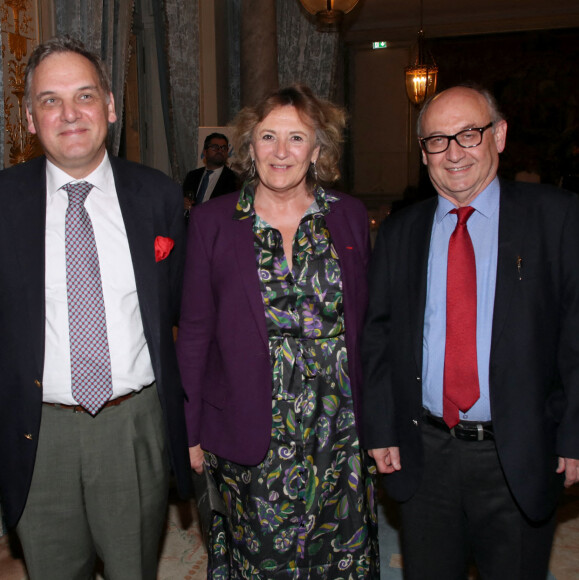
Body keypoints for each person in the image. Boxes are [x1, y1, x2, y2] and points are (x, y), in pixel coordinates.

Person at [362, 84, 579, 579]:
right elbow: (377, 337)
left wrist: (575, 434)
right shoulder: (401, 231)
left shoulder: (556, 216)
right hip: (425, 453)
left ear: (499, 136)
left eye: (469, 134)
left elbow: (576, 333)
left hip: (520, 452)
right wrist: (379, 428)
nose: (453, 152)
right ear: (424, 153)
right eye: (437, 140)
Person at [0, 36, 191, 579]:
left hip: (132, 428)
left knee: (134, 569)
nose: (69, 114)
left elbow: (181, 310)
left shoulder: (158, 197)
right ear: (30, 120)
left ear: (110, 106)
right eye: (50, 100)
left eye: (84, 96)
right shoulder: (3, 202)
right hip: (38, 434)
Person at [176, 84, 378, 578]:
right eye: (268, 137)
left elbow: (372, 325)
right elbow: (196, 331)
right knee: (263, 557)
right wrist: (190, 429)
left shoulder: (348, 216)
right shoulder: (212, 222)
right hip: (252, 425)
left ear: (318, 149)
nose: (281, 152)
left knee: (341, 554)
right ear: (249, 146)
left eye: (296, 138)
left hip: (342, 429)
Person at [182, 132, 239, 215]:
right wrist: (182, 204)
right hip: (191, 225)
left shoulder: (235, 180)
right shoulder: (192, 176)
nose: (220, 150)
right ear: (205, 152)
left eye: (223, 148)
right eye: (215, 147)